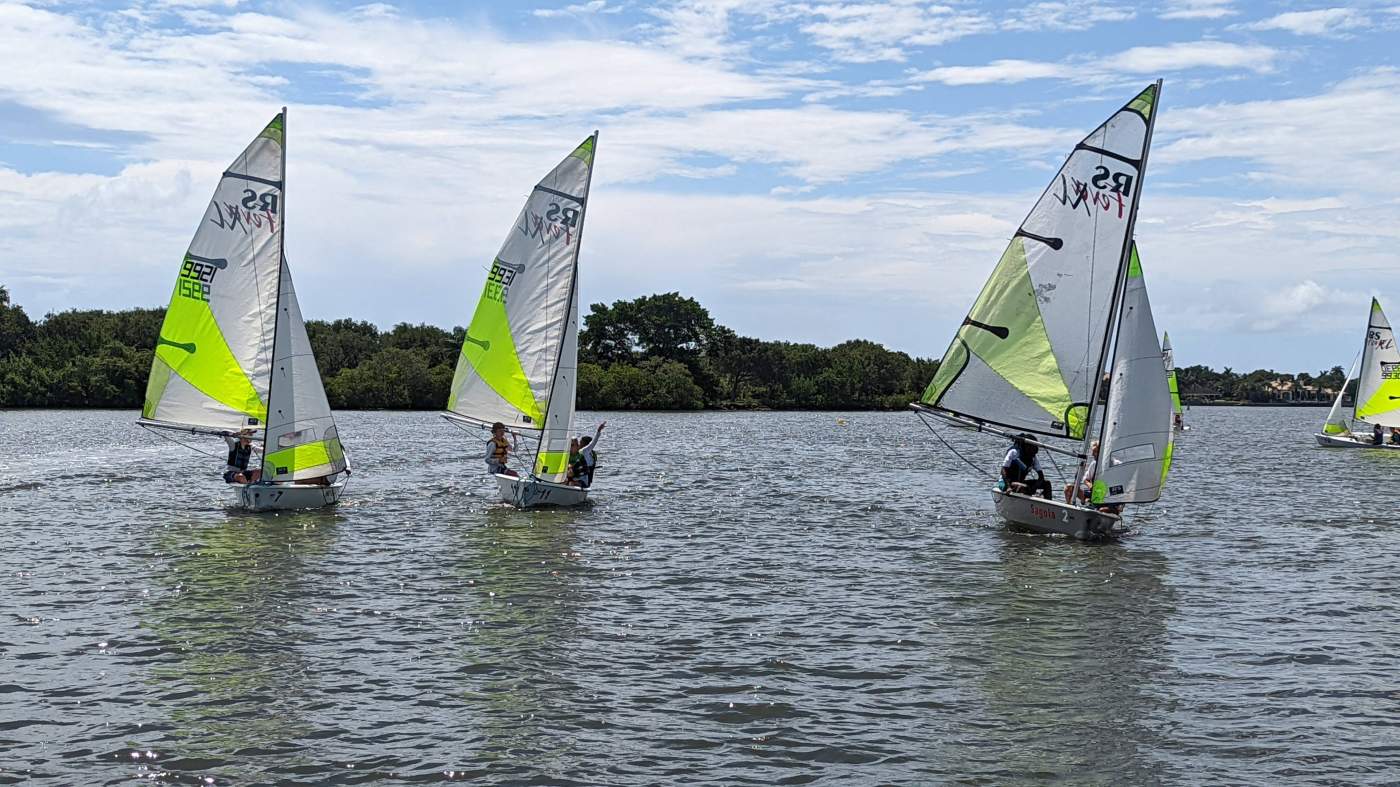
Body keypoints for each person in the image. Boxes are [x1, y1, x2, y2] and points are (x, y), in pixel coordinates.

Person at [1001, 434, 1051, 499]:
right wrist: (1008, 487)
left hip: (1020, 482)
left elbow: (1041, 477)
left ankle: (1047, 506)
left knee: (1047, 483)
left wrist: (1034, 488)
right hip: (1006, 483)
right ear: (1026, 446)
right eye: (1033, 447)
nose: (1034, 451)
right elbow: (1003, 470)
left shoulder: (1033, 457)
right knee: (1023, 487)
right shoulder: (1014, 452)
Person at [569, 421, 605, 489]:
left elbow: (593, 443)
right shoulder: (576, 452)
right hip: (576, 476)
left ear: (585, 445)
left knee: (571, 482)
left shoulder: (584, 451)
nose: (579, 444)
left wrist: (598, 431)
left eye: (580, 442)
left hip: (582, 478)